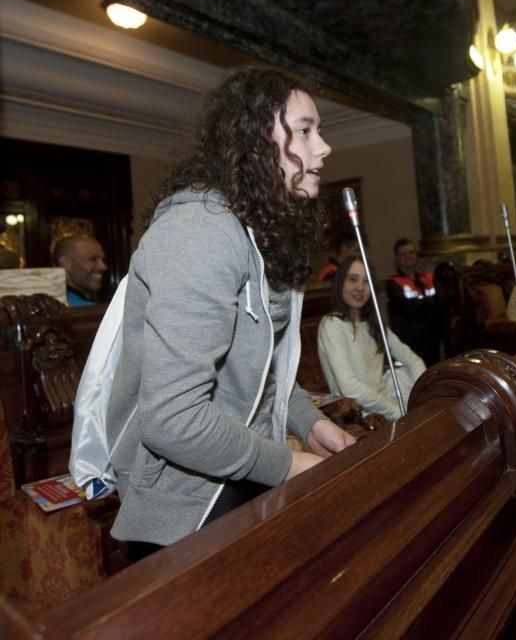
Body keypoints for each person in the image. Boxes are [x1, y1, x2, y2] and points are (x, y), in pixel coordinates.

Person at [105, 66, 356, 556]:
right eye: (305, 130)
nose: (323, 147)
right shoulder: (200, 229)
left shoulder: (250, 229)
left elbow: (255, 367)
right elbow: (173, 419)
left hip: (239, 480)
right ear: (257, 141)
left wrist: (306, 420)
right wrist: (286, 464)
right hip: (184, 516)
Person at [318, 255, 426, 422]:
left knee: (401, 375)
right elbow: (349, 387)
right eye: (352, 280)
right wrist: (396, 411)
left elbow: (413, 360)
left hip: (391, 409)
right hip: (361, 417)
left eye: (366, 281)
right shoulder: (332, 324)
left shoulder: (373, 324)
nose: (360, 287)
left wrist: (423, 394)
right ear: (341, 283)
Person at [386, 237, 442, 366]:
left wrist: (422, 304)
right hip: (410, 340)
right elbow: (409, 309)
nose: (408, 256)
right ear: (397, 259)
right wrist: (428, 303)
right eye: (403, 254)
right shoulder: (393, 283)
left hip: (432, 337)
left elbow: (439, 303)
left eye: (411, 252)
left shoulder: (428, 278)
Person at [53, 234, 107, 306]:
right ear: (66, 263)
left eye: (103, 260)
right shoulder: (85, 311)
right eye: (93, 259)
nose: (103, 267)